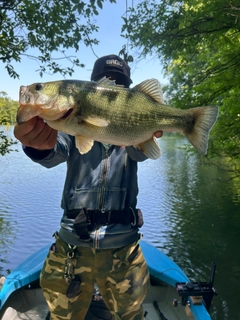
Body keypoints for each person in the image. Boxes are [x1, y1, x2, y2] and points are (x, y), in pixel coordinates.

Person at [14, 54, 163, 320]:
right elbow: (52, 152)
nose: (113, 90)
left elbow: (143, 153)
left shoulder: (134, 121)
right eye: (108, 85)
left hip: (124, 249)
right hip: (72, 245)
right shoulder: (69, 124)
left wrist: (144, 133)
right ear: (91, 87)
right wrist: (35, 145)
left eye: (121, 87)